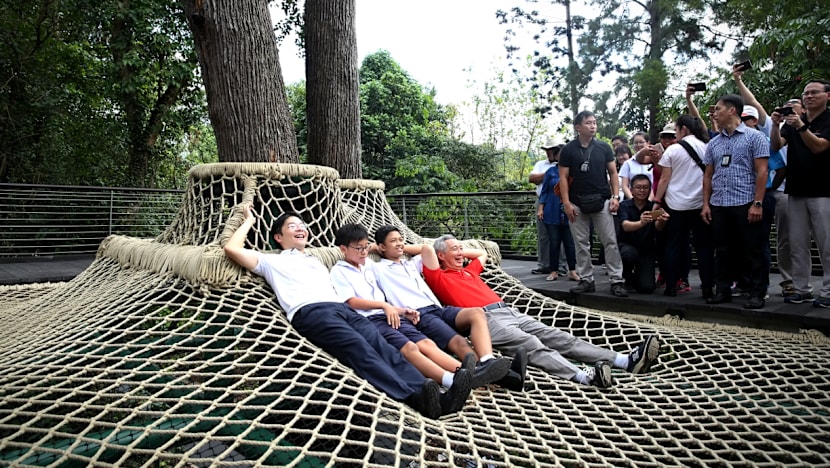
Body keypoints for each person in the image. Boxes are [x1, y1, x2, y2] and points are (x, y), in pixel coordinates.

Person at [223, 205, 446, 419]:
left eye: (302, 224)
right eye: (292, 226)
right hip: (312, 311)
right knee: (360, 349)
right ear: (278, 237)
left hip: (341, 308)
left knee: (383, 346)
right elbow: (232, 249)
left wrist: (395, 306)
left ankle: (431, 394)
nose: (300, 228)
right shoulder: (271, 261)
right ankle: (414, 398)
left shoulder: (316, 261)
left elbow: (364, 254)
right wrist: (250, 221)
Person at [423, 234, 662, 388]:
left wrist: (461, 251)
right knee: (532, 345)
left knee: (560, 336)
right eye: (453, 250)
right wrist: (445, 248)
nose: (460, 253)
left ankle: (623, 361)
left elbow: (483, 254)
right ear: (441, 255)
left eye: (460, 248)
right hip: (486, 320)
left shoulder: (468, 271)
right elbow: (425, 249)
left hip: (510, 311)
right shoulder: (438, 277)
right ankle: (583, 376)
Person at [329, 223, 472, 414]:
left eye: (366, 247)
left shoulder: (367, 267)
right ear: (343, 249)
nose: (364, 252)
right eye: (358, 248)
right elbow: (351, 301)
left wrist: (402, 311)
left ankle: (469, 376)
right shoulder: (339, 271)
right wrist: (385, 306)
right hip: (371, 320)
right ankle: (451, 381)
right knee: (411, 348)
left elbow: (380, 297)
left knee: (427, 343)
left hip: (391, 314)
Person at [371, 225, 521, 389]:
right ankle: (502, 377)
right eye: (393, 241)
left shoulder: (411, 263)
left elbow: (427, 248)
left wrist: (396, 246)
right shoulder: (377, 268)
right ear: (382, 246)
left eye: (401, 239)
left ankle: (487, 361)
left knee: (476, 313)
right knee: (459, 342)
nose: (400, 243)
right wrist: (374, 248)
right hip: (421, 314)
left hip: (438, 309)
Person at [702, 94, 770, 309]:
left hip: (745, 202)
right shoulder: (714, 143)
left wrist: (757, 203)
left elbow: (762, 171)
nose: (715, 113)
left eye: (719, 109)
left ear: (732, 110)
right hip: (719, 203)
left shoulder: (754, 137)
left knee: (753, 249)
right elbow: (707, 175)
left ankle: (757, 292)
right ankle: (722, 290)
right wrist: (706, 204)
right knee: (722, 250)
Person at [771, 79, 830, 309]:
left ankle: (827, 290)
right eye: (806, 93)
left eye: (814, 92)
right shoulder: (796, 121)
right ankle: (802, 289)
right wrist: (776, 125)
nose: (809, 96)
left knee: (826, 243)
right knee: (797, 243)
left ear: (827, 95)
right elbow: (776, 146)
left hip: (823, 191)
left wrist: (801, 127)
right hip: (795, 190)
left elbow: (819, 147)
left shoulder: (826, 120)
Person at [557, 110, 628, 298]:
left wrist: (615, 196)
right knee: (581, 243)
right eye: (588, 123)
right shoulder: (568, 150)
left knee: (610, 241)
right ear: (578, 127)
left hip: (602, 200)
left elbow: (613, 173)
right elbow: (562, 178)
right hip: (576, 202)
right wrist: (566, 203)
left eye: (594, 122)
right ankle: (586, 279)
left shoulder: (603, 148)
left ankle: (617, 280)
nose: (593, 126)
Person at [653, 114, 715, 299]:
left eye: (676, 130)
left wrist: (657, 201)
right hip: (700, 204)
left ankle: (671, 287)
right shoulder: (707, 147)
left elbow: (665, 178)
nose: (675, 135)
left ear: (684, 129)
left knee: (673, 245)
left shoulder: (672, 151)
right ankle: (707, 288)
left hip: (676, 205)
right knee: (704, 247)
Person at [617, 175, 669, 293]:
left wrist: (662, 221)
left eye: (645, 187)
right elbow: (625, 226)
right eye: (638, 187)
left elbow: (658, 228)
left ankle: (638, 277)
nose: (642, 190)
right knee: (628, 254)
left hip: (646, 249)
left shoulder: (653, 207)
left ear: (650, 189)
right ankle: (627, 277)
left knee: (647, 288)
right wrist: (641, 223)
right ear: (631, 190)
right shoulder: (624, 205)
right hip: (626, 246)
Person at [536, 145, 578, 282]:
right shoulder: (551, 172)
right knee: (554, 242)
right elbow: (545, 192)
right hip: (551, 210)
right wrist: (541, 208)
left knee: (570, 243)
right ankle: (553, 271)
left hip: (569, 212)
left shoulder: (574, 172)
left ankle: (572, 270)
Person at [529, 139, 560, 275]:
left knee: (561, 235)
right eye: (547, 150)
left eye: (552, 149)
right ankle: (544, 264)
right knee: (543, 235)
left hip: (559, 202)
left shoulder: (563, 165)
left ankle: (561, 266)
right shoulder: (541, 164)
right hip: (542, 201)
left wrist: (544, 176)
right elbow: (531, 178)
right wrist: (549, 173)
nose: (549, 152)